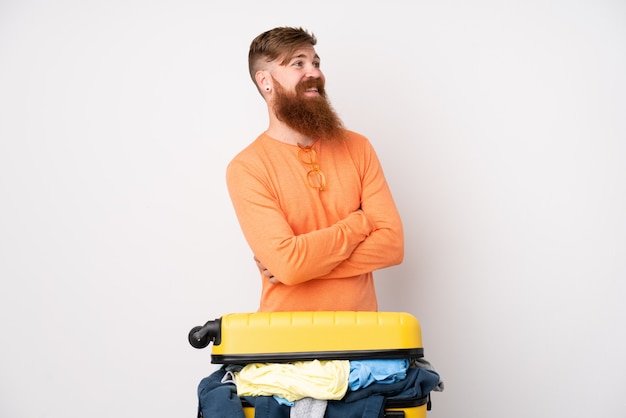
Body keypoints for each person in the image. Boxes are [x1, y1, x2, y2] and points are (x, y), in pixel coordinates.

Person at [226, 26, 404, 312]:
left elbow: (392, 246)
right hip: (286, 345)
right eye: (299, 63)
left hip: (364, 342)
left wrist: (297, 268)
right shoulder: (247, 167)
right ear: (265, 81)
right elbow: (289, 265)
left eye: (316, 63)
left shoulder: (358, 147)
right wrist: (359, 223)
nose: (315, 73)